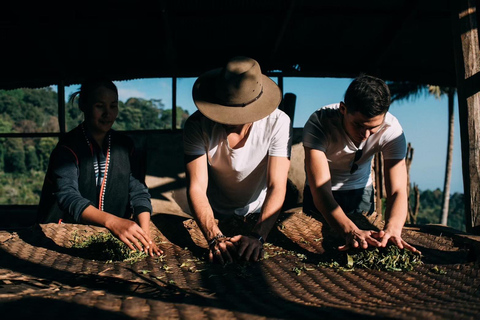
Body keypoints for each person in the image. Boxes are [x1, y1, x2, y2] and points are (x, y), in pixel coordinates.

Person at [183, 56, 292, 264]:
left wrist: (259, 235)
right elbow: (196, 187)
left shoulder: (278, 123)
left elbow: (277, 184)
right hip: (213, 212)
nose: (227, 120)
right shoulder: (197, 125)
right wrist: (214, 235)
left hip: (259, 211)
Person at [38, 77, 162, 257]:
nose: (108, 113)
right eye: (99, 106)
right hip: (66, 235)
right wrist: (113, 222)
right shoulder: (68, 147)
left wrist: (145, 234)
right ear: (83, 105)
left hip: (110, 238)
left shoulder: (125, 146)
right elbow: (67, 195)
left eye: (113, 106)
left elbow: (138, 191)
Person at [302, 74, 418, 253]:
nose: (365, 135)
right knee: (315, 246)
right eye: (358, 125)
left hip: (360, 192)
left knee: (364, 248)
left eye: (373, 128)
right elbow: (320, 189)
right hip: (321, 194)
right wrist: (350, 230)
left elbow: (397, 190)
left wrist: (393, 228)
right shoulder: (319, 123)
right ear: (343, 109)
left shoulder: (392, 131)